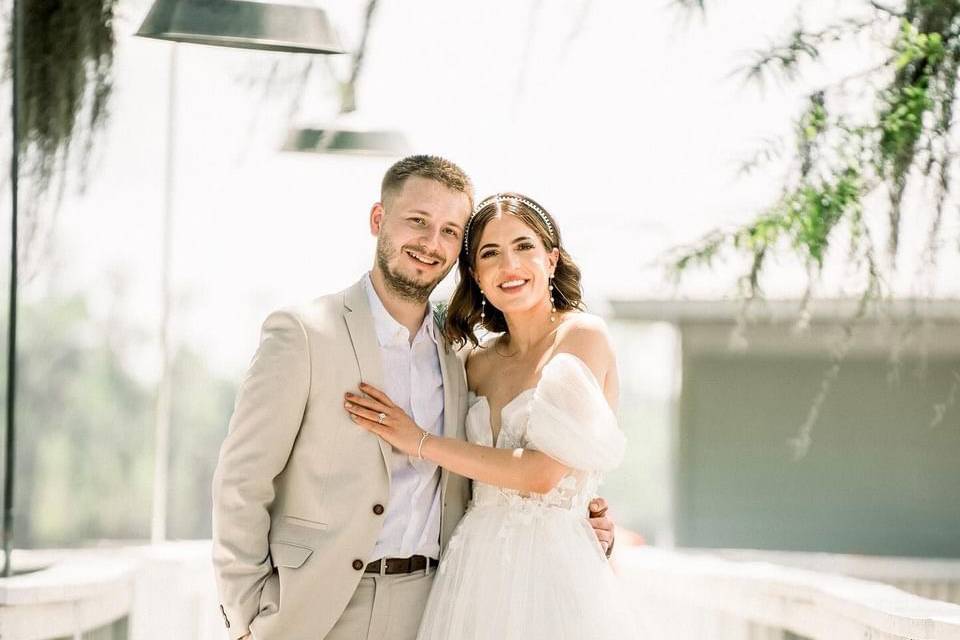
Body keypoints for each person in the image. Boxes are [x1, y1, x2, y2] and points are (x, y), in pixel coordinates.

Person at [211, 158, 616, 640]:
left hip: (438, 604)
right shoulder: (304, 334)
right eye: (418, 222)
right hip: (316, 610)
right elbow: (241, 481)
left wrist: (579, 518)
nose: (431, 244)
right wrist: (244, 618)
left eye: (449, 231)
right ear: (378, 220)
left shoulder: (457, 356)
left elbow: (519, 470)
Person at [344, 192, 641, 639]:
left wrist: (418, 440)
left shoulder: (582, 336)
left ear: (552, 259)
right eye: (490, 253)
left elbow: (542, 473)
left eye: (524, 247)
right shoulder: (475, 364)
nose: (509, 265)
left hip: (554, 574)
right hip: (471, 573)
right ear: (476, 276)